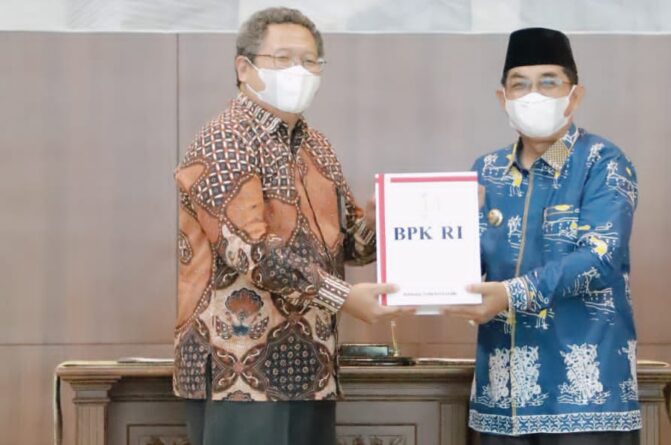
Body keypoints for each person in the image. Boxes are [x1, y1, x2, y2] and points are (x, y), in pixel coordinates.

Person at [173, 7, 409, 445]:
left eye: (310, 60)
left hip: (311, 366)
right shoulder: (224, 139)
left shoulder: (316, 146)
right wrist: (345, 297)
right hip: (239, 372)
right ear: (244, 68)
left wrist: (380, 224)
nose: (299, 71)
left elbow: (346, 247)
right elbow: (253, 252)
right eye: (283, 59)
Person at [444, 28, 642, 445]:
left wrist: (509, 294)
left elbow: (599, 259)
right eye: (520, 84)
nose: (533, 95)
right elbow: (461, 266)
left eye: (549, 83)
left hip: (585, 405)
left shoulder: (602, 162)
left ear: (574, 95)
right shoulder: (485, 171)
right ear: (503, 98)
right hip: (502, 402)